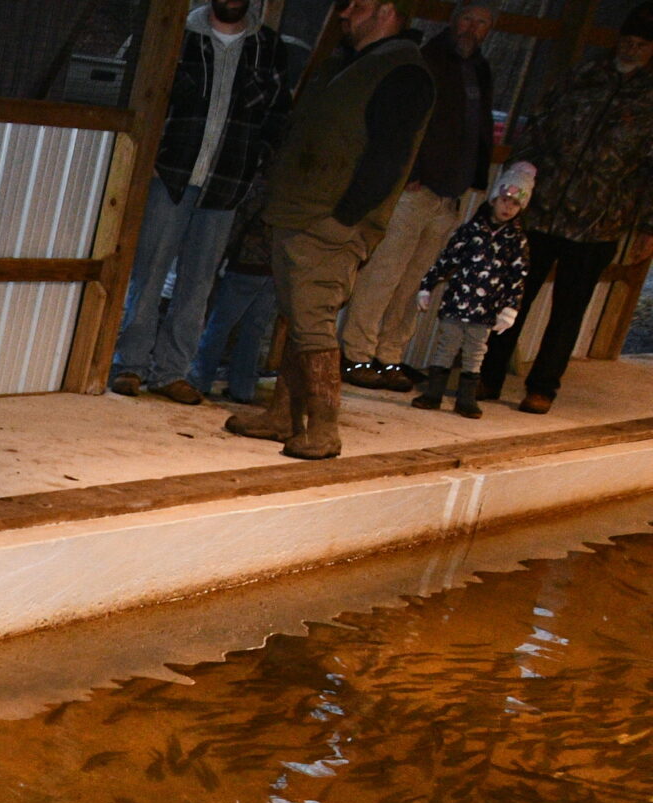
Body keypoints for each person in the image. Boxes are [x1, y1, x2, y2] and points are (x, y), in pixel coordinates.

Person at [226, 0, 435, 461]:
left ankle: (324, 429)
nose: (344, 13)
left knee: (314, 323)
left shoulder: (402, 71)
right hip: (300, 211)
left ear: (386, 11)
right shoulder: (348, 61)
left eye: (357, 5)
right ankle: (284, 416)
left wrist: (345, 217)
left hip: (330, 221)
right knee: (298, 317)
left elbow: (389, 157)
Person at [110, 0, 294, 405]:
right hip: (171, 175)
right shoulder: (179, 36)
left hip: (226, 184)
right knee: (148, 273)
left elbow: (277, 115)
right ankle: (129, 366)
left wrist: (254, 163)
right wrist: (152, 155)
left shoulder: (268, 47)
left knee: (198, 283)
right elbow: (149, 95)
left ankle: (173, 373)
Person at [479, 5, 653, 414]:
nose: (632, 48)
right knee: (514, 294)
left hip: (599, 221)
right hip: (542, 209)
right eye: (628, 40)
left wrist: (647, 225)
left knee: (569, 310)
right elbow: (537, 126)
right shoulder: (582, 75)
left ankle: (543, 387)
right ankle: (487, 374)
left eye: (642, 44)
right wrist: (516, 183)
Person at [342, 4, 496, 391]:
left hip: (448, 196)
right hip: (415, 191)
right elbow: (406, 122)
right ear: (452, 20)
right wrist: (408, 171)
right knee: (383, 274)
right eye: (466, 19)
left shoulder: (480, 71)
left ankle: (389, 356)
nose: (471, 29)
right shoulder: (427, 61)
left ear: (489, 30)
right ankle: (355, 353)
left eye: (480, 23)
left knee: (415, 282)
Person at [410, 163, 532, 417]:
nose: (508, 207)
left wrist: (510, 308)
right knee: (446, 346)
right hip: (456, 304)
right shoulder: (470, 231)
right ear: (493, 199)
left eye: (515, 204)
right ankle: (434, 393)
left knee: (475, 352)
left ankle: (466, 399)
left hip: (486, 310)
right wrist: (427, 286)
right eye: (504, 200)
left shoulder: (517, 241)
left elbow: (517, 276)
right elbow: (447, 260)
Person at [191, 189, 280, 405]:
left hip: (246, 263)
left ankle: (200, 379)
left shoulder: (259, 188)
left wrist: (224, 253)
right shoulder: (290, 190)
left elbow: (240, 221)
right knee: (254, 330)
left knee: (219, 325)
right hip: (275, 267)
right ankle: (243, 388)